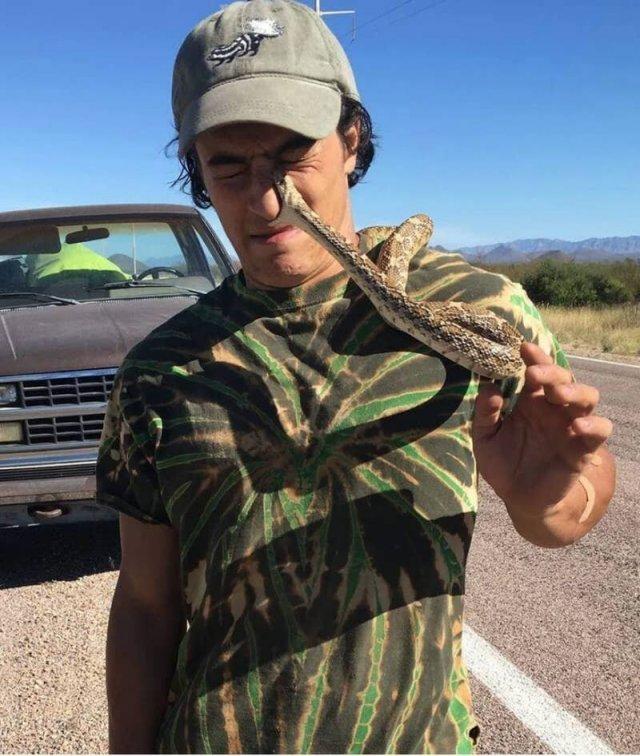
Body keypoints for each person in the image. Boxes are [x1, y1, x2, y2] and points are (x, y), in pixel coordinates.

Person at [97, 1, 616, 753]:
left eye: (292, 156)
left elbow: (571, 506)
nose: (268, 198)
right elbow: (146, 606)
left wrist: (554, 497)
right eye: (229, 166)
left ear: (351, 140)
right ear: (198, 175)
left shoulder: (480, 314)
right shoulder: (159, 371)